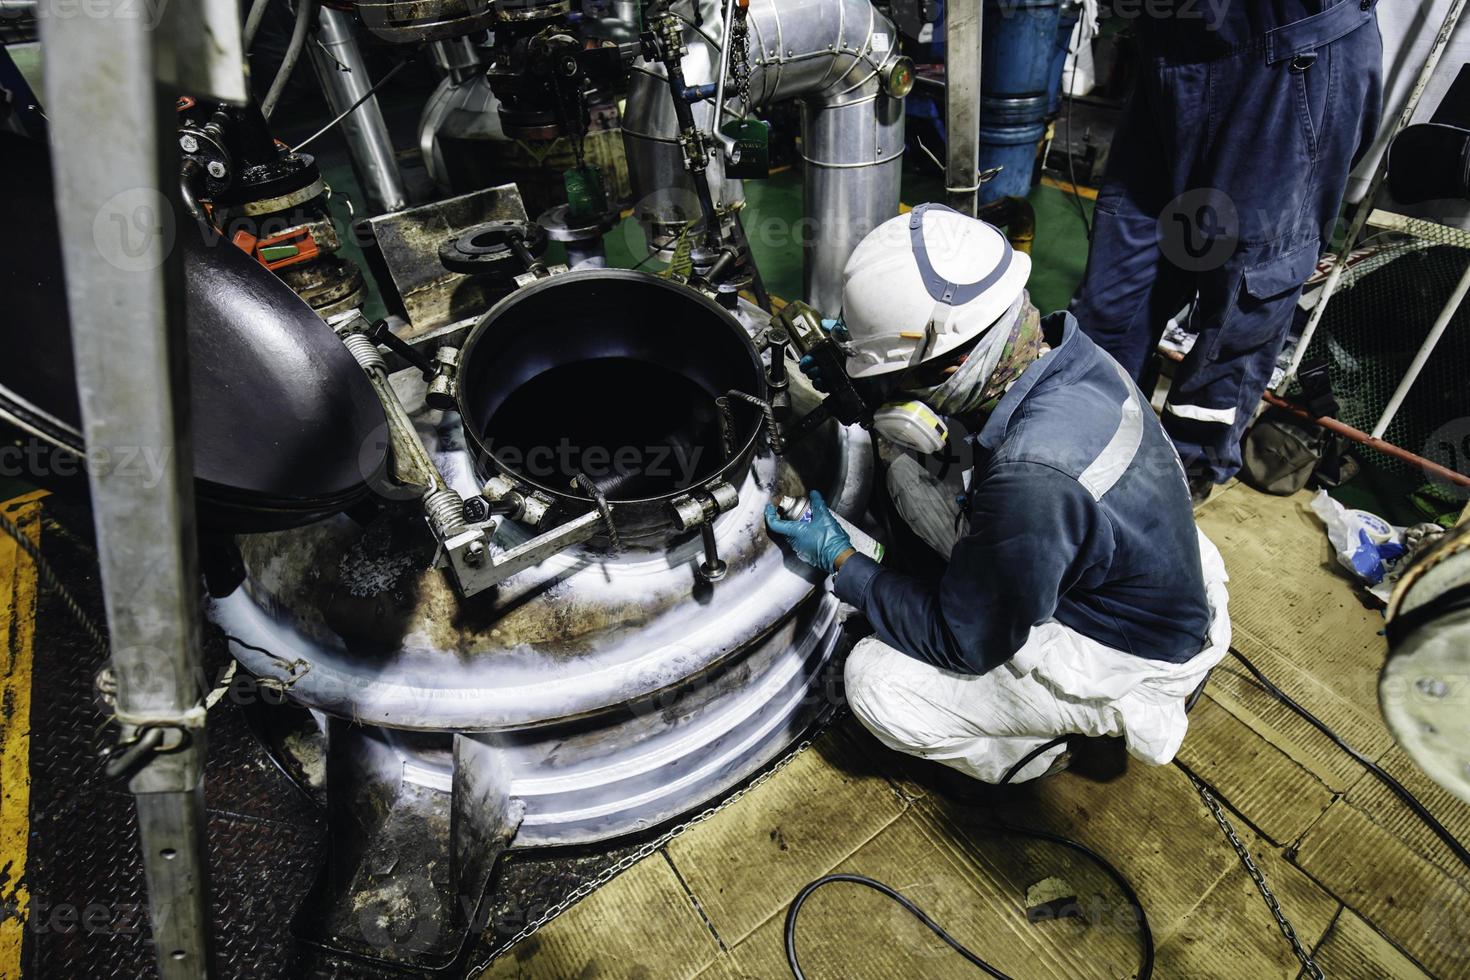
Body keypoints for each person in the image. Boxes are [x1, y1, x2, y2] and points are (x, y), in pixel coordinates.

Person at [765, 205, 1231, 783]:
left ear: (956, 362)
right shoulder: (1064, 348)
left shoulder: (1032, 475)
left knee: (874, 684)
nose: (893, 393)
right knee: (906, 468)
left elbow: (962, 641)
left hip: (1118, 652)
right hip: (1133, 568)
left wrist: (842, 561)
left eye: (901, 376)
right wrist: (859, 365)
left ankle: (1039, 750)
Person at [1069, 0, 1383, 503]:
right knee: (1122, 276)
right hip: (1174, 50)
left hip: (1286, 59)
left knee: (1244, 296)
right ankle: (1082, 434)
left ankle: (1177, 477)